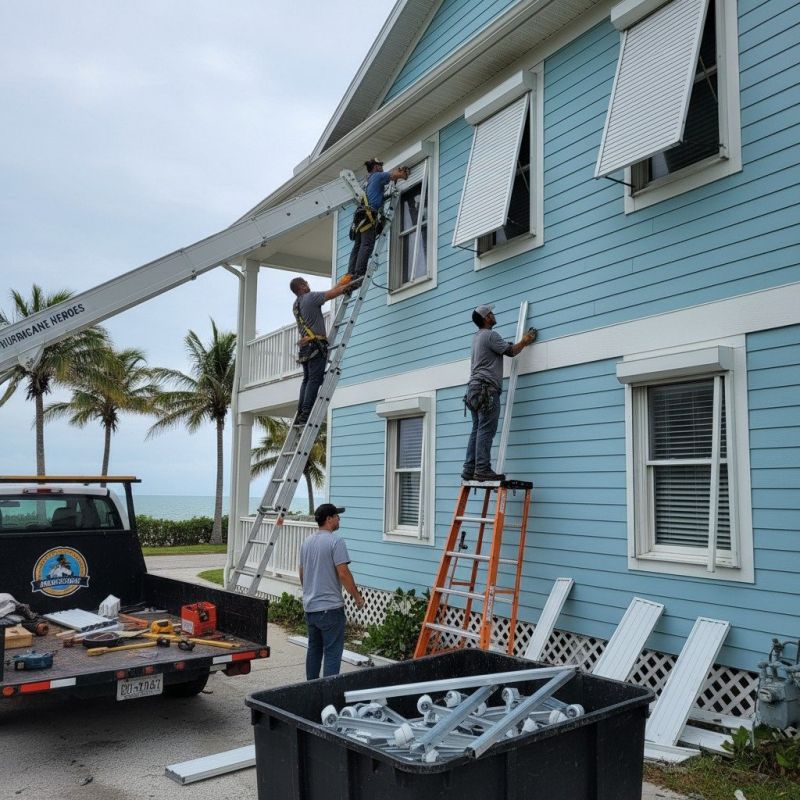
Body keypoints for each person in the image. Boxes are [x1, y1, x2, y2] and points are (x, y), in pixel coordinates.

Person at [462, 304, 537, 482]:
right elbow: (510, 351)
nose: (493, 315)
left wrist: (511, 344)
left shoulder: (477, 337)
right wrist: (525, 341)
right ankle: (482, 469)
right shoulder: (491, 335)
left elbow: (502, 348)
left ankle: (469, 469)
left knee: (477, 429)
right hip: (486, 390)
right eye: (491, 313)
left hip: (473, 389)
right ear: (486, 318)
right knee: (486, 429)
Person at [299, 503, 364, 680]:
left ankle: (311, 688)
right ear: (329, 519)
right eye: (336, 516)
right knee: (332, 653)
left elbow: (302, 573)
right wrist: (357, 597)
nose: (339, 519)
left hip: (310, 608)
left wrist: (309, 593)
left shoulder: (306, 542)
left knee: (314, 650)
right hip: (330, 609)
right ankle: (329, 692)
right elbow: (343, 573)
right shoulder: (336, 541)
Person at [289, 276, 350, 425]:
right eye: (306, 283)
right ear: (302, 286)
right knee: (314, 380)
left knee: (307, 380)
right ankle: (306, 414)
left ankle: (301, 414)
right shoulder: (310, 297)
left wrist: (341, 282)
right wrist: (350, 285)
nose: (308, 285)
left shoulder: (296, 304)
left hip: (306, 347)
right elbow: (331, 294)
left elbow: (329, 291)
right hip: (315, 345)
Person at [347, 158, 410, 280]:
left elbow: (383, 191)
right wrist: (403, 173)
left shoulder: (368, 181)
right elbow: (396, 175)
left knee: (358, 246)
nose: (382, 167)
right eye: (380, 165)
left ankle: (350, 274)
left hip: (360, 217)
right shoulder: (378, 176)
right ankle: (359, 274)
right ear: (376, 167)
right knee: (366, 245)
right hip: (368, 215)